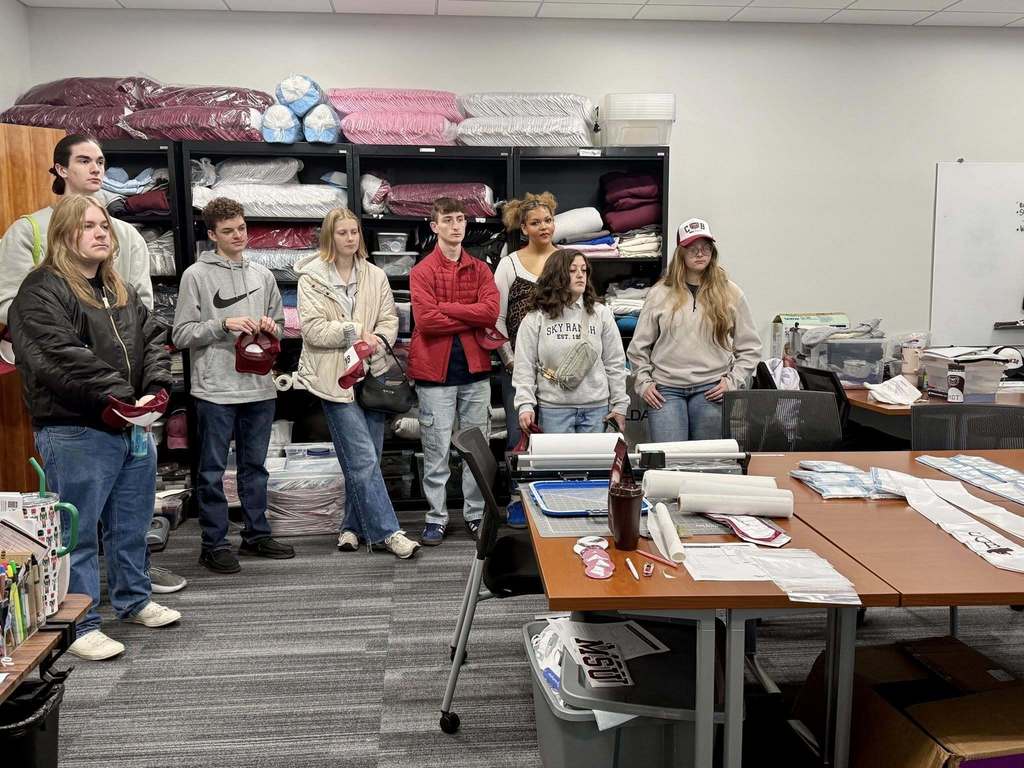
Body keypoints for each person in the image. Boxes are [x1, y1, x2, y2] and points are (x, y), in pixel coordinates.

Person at [9, 194, 182, 661]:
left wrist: (155, 389)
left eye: (103, 225)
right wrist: (121, 396)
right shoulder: (40, 289)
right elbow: (57, 355)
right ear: (65, 234)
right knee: (77, 532)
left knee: (131, 524)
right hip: (76, 429)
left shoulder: (117, 288)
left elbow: (152, 340)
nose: (102, 232)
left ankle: (134, 599)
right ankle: (79, 622)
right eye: (89, 226)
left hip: (130, 426)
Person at [172, 197, 294, 573]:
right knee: (211, 471)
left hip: (259, 387)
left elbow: (281, 325)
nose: (238, 235)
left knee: (255, 467)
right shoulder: (196, 275)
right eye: (228, 231)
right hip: (215, 390)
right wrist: (222, 324)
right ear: (212, 235)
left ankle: (257, 534)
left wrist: (274, 327)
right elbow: (180, 334)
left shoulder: (263, 275)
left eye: (241, 228)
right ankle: (214, 543)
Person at [295, 208, 420, 559]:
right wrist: (352, 333)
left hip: (372, 375)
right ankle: (388, 533)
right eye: (342, 233)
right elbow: (313, 330)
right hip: (335, 379)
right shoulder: (311, 278)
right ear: (329, 238)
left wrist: (377, 340)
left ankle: (351, 526)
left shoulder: (376, 275)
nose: (350, 238)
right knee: (363, 458)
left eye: (354, 232)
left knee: (365, 459)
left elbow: (389, 319)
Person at [408, 198, 499, 546]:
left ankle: (475, 514)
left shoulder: (481, 269)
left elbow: (490, 313)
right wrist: (468, 313)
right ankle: (436, 517)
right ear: (435, 227)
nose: (456, 225)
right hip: (435, 373)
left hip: (475, 371)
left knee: (476, 449)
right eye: (448, 220)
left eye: (460, 219)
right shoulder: (422, 271)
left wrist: (447, 307)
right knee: (436, 449)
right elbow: (427, 322)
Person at [627, 218, 761, 442]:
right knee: (669, 463)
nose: (700, 253)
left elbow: (751, 347)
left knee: (707, 464)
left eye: (706, 248)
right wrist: (643, 382)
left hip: (711, 389)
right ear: (681, 253)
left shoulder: (731, 292)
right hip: (666, 390)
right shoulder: (660, 293)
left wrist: (732, 381)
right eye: (693, 248)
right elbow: (638, 347)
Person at [0, 134, 153, 324]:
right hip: (51, 347)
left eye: (100, 162)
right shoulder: (26, 230)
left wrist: (111, 336)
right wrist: (65, 332)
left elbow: (143, 306)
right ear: (61, 169)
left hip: (114, 348)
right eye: (84, 161)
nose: (95, 169)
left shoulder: (127, 234)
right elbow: (8, 303)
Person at [513, 249, 628, 434]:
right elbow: (524, 365)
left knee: (595, 463)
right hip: (553, 410)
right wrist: (525, 404)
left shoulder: (600, 313)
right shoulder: (537, 317)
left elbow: (615, 362)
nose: (580, 275)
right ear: (557, 274)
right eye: (573, 270)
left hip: (596, 409)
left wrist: (620, 405)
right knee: (558, 464)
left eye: (584, 270)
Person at [495, 192, 558, 449]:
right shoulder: (509, 264)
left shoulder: (566, 262)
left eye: (548, 220)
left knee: (555, 443)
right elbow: (496, 319)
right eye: (535, 223)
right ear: (523, 228)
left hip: (558, 370)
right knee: (518, 439)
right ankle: (515, 491)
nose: (544, 227)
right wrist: (510, 360)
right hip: (517, 368)